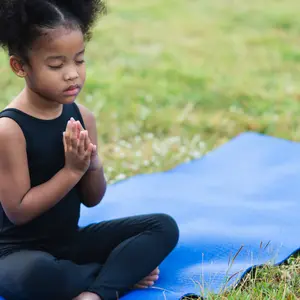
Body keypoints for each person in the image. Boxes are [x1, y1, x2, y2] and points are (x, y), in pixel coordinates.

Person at [0, 1, 180, 299]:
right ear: (20, 66)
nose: (72, 74)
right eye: (56, 65)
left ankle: (94, 292)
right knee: (35, 276)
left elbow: (93, 199)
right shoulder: (9, 129)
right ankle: (115, 276)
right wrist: (71, 171)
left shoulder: (82, 117)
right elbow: (18, 211)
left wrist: (91, 165)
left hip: (70, 243)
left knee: (162, 227)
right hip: (18, 254)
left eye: (79, 60)